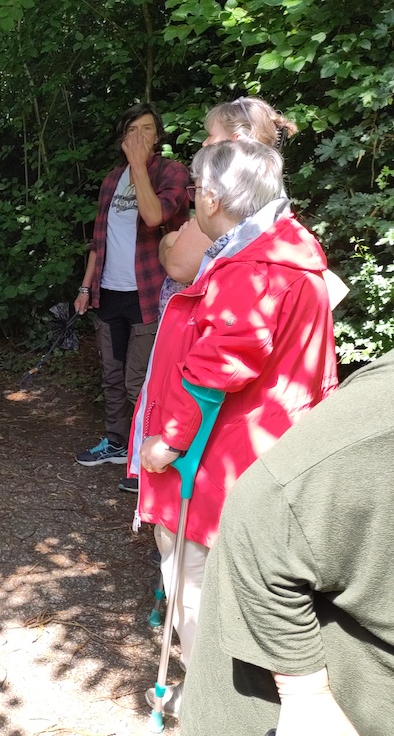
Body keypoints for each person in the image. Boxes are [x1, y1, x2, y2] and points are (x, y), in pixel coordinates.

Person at [132, 138, 338, 716]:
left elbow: (218, 363)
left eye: (196, 189)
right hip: (272, 447)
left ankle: (215, 708)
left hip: (224, 460)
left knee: (196, 583)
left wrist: (166, 442)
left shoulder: (254, 269)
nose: (194, 199)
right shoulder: (287, 251)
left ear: (213, 196)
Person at [180, 351, 394, 736]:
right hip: (267, 454)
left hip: (254, 450)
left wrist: (174, 435)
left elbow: (226, 361)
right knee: (196, 576)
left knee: (195, 576)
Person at [73, 103, 190, 493]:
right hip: (109, 291)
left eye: (147, 130)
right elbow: (99, 238)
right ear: (123, 137)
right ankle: (117, 443)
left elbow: (156, 217)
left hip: (148, 293)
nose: (140, 137)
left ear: (157, 137)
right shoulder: (111, 179)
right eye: (133, 130)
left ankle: (149, 456)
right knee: (111, 374)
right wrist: (86, 286)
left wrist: (139, 166)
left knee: (139, 380)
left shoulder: (169, 173)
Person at [157, 97, 298, 313]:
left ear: (236, 141)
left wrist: (168, 240)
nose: (205, 143)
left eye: (211, 135)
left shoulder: (229, 203)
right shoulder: (271, 196)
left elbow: (179, 266)